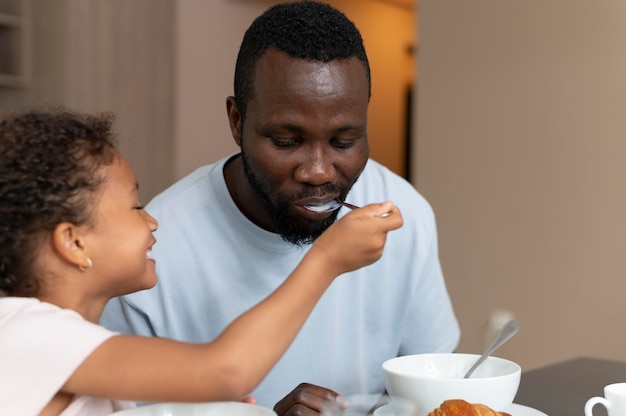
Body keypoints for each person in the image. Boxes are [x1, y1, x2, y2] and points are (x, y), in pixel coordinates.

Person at [101, 0, 460, 413]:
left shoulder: (405, 215)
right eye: (287, 141)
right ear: (237, 121)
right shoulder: (151, 249)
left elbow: (433, 387)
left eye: (344, 141)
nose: (319, 171)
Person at [0, 106, 402, 416]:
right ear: (73, 242)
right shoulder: (25, 335)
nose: (152, 219)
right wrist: (327, 258)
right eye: (135, 207)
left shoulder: (75, 349)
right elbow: (226, 372)